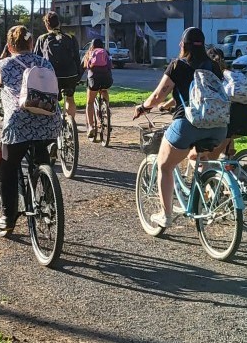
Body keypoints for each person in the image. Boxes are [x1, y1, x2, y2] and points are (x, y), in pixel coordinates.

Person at [0, 25, 60, 231]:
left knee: (7, 166)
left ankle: (8, 217)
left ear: (9, 46)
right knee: (41, 157)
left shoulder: (3, 65)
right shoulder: (46, 63)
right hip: (50, 121)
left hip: (19, 125)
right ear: (31, 44)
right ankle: (49, 194)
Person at [132, 27, 227, 228]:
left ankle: (165, 215)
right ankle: (209, 198)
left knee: (165, 165)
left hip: (188, 124)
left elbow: (158, 95)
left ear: (183, 45)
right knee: (199, 157)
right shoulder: (213, 66)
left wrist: (143, 107)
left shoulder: (178, 66)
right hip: (218, 126)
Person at [33, 11, 81, 119]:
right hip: (70, 75)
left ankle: (55, 123)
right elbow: (77, 58)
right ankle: (71, 124)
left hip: (51, 76)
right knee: (70, 98)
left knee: (52, 99)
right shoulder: (70, 37)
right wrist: (77, 75)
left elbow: (36, 60)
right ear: (59, 23)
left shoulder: (42, 39)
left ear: (46, 25)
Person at [82, 38, 113, 139]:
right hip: (106, 79)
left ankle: (91, 127)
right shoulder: (106, 53)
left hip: (93, 80)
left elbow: (84, 67)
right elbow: (110, 66)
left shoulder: (89, 53)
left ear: (92, 45)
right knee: (104, 90)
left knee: (90, 102)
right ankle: (107, 112)